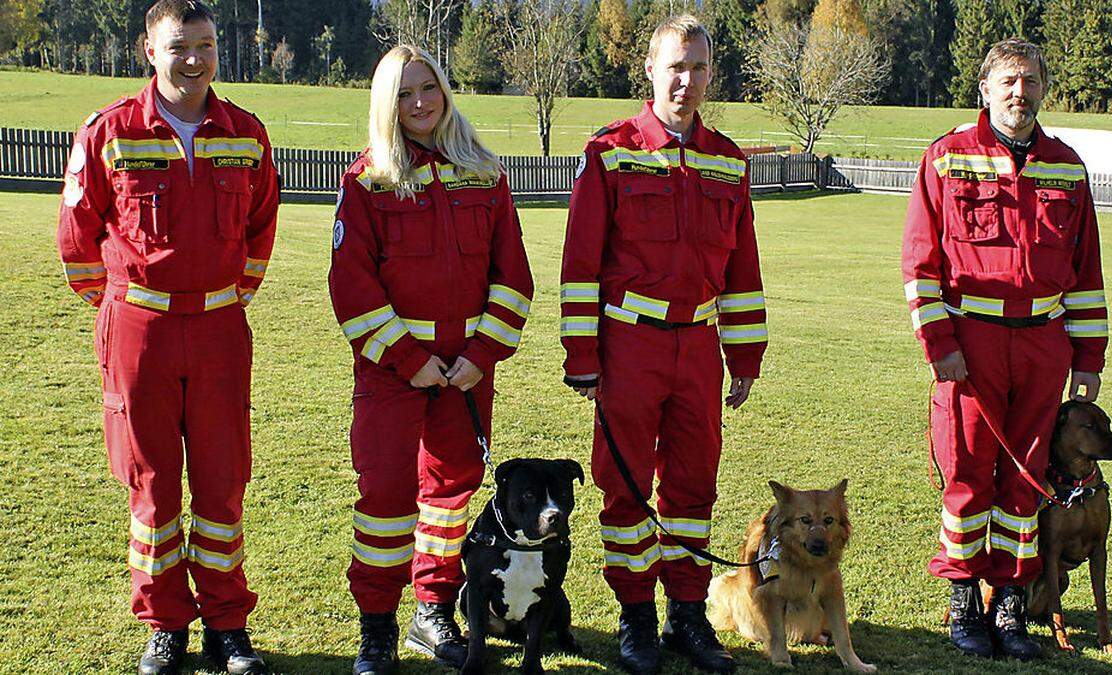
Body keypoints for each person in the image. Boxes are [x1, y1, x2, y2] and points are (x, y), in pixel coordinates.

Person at [55, 1, 278, 673]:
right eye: (180, 45)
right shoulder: (110, 131)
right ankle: (165, 623)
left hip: (218, 328)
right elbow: (77, 235)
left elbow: (262, 225)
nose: (195, 58)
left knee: (222, 480)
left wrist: (228, 297)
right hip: (139, 331)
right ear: (149, 50)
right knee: (152, 484)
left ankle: (227, 624)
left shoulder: (246, 133)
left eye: (206, 44)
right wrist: (122, 305)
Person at [559, 15, 767, 675]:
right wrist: (583, 358)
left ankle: (685, 617)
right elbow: (580, 265)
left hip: (699, 349)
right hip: (629, 345)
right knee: (624, 491)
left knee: (692, 486)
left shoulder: (727, 160)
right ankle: (635, 620)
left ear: (710, 75)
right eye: (675, 66)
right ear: (650, 70)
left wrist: (746, 357)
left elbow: (743, 270)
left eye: (698, 68)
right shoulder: (611, 151)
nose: (686, 80)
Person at [328, 45, 534, 674]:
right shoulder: (367, 182)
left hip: (468, 374)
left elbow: (514, 277)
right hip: (394, 374)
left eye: (429, 89)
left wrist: (481, 354)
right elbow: (352, 285)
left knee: (450, 498)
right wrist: (409, 357)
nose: (420, 104)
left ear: (445, 92)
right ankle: (377, 627)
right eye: (404, 94)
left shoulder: (486, 174)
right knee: (386, 499)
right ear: (385, 105)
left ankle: (433, 608)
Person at [901, 38, 1109, 661]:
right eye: (1009, 81)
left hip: (1043, 345)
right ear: (985, 89)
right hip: (971, 343)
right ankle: (964, 601)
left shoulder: (1067, 167)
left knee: (1026, 484)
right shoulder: (946, 158)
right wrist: (939, 342)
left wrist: (1088, 360)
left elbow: (1086, 271)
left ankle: (1010, 601)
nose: (1020, 93)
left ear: (1044, 88)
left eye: (1031, 81)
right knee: (966, 476)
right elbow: (920, 262)